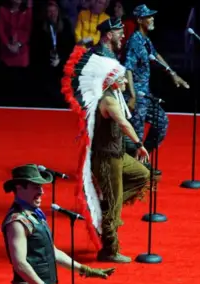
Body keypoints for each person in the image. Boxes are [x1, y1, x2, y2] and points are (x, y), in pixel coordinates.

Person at [2, 164, 116, 284]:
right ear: (19, 188)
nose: (41, 191)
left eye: (41, 186)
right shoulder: (16, 222)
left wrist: (84, 269)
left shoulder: (36, 216)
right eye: (35, 186)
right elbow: (20, 263)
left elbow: (52, 252)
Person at [62, 46, 152, 263]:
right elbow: (122, 123)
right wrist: (139, 143)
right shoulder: (109, 100)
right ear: (112, 81)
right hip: (106, 158)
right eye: (121, 78)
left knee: (143, 175)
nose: (124, 81)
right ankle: (109, 250)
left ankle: (108, 207)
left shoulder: (115, 96)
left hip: (117, 155)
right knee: (114, 202)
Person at [123, 4, 189, 173]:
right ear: (139, 20)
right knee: (135, 134)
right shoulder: (134, 41)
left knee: (161, 123)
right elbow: (128, 68)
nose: (152, 19)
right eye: (148, 16)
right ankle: (133, 168)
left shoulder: (145, 40)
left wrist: (173, 74)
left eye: (152, 16)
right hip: (137, 95)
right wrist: (131, 95)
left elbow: (156, 56)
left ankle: (140, 160)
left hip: (146, 95)